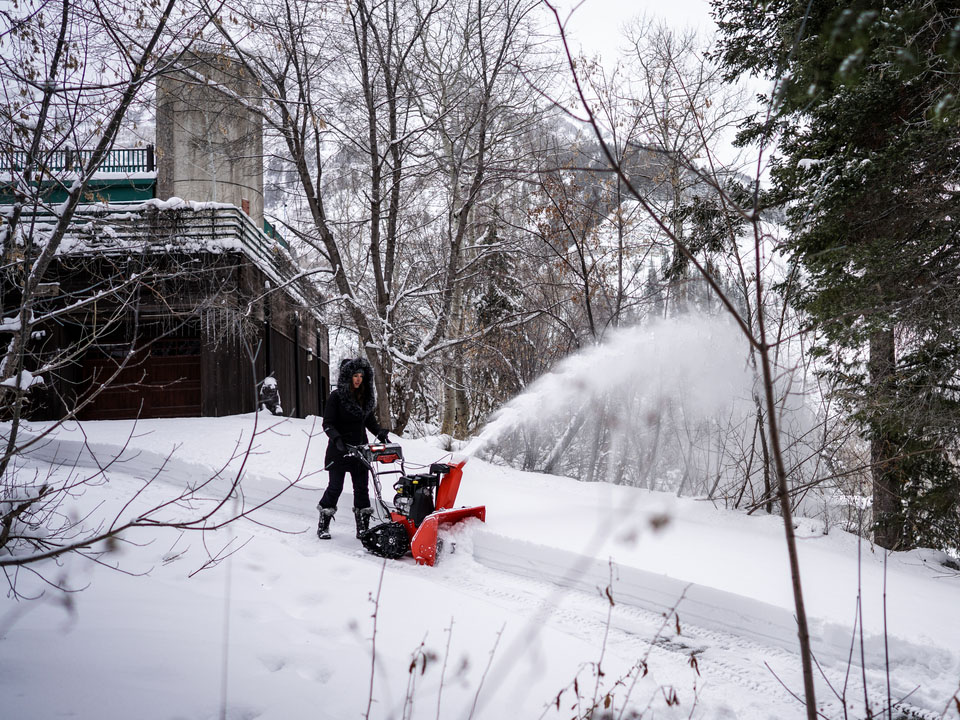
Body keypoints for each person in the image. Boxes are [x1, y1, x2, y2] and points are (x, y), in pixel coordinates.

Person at [317, 357, 389, 540]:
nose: (358, 379)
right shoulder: (336, 397)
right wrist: (337, 439)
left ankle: (362, 529)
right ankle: (323, 525)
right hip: (339, 449)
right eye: (355, 375)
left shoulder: (363, 398)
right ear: (347, 376)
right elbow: (328, 423)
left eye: (361, 376)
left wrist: (380, 433)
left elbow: (369, 420)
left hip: (360, 450)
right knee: (335, 487)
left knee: (362, 488)